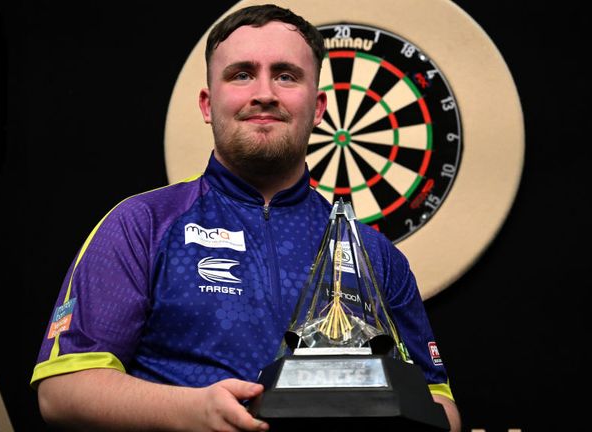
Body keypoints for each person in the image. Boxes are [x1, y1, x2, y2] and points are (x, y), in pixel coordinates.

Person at [32, 4, 461, 431]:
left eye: (286, 75)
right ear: (207, 103)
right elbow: (64, 390)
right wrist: (194, 411)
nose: (264, 93)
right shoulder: (141, 224)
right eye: (241, 74)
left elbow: (441, 409)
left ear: (318, 108)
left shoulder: (375, 254)